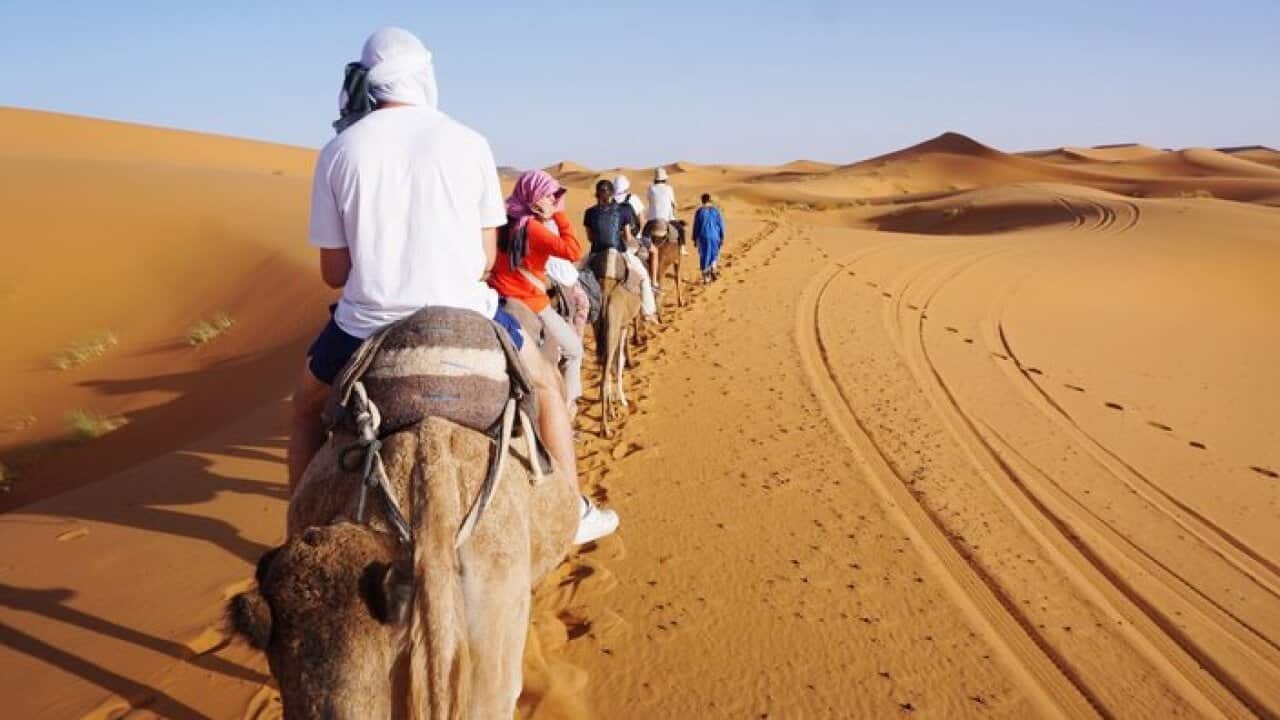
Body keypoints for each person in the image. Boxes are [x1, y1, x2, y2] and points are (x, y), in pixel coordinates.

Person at [293, 27, 617, 543]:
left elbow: (333, 274)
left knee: (305, 408)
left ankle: (302, 537)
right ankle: (570, 510)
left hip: (366, 325)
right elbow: (486, 259)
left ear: (368, 81)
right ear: (425, 74)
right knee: (548, 389)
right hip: (469, 314)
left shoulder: (339, 151)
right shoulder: (470, 142)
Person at [487, 170, 585, 416]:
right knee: (574, 351)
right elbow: (574, 251)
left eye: (555, 197)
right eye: (549, 195)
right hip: (530, 301)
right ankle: (566, 412)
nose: (554, 200)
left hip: (495, 298)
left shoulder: (501, 219)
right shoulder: (532, 228)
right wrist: (560, 215)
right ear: (533, 198)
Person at [583, 179, 657, 318]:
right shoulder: (624, 210)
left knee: (576, 276)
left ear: (596, 195)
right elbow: (628, 237)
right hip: (619, 250)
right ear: (612, 194)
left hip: (596, 252)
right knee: (643, 276)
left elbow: (590, 238)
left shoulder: (589, 212)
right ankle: (648, 312)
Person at [693, 193, 726, 283]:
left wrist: (695, 238)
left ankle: (706, 277)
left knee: (704, 256)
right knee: (714, 253)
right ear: (709, 200)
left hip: (703, 237)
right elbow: (721, 224)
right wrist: (722, 236)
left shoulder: (699, 211)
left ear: (702, 201)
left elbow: (696, 226)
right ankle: (713, 270)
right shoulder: (716, 211)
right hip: (715, 236)